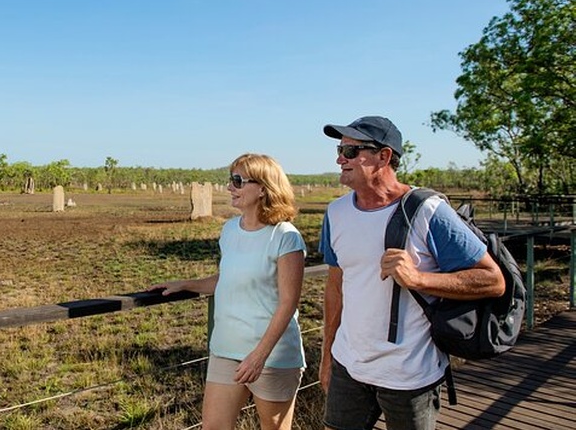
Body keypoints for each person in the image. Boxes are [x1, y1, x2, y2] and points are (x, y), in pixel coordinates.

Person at [317, 116, 506, 430]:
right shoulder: (336, 213)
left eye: (351, 151)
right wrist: (328, 354)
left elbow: (493, 280)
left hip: (410, 373)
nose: (340, 158)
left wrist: (419, 280)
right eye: (340, 149)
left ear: (384, 156)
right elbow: (336, 287)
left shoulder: (427, 210)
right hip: (348, 366)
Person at [149, 153, 307, 430]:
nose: (229, 188)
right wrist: (186, 284)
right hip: (225, 349)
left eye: (237, 181)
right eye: (230, 180)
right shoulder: (230, 229)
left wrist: (259, 356)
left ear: (262, 188)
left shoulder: (285, 237)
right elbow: (228, 279)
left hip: (271, 356)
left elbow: (288, 302)